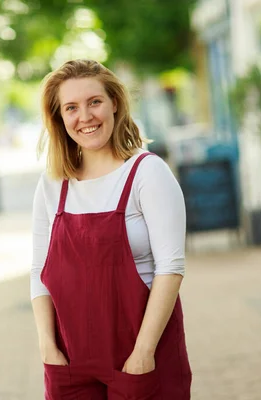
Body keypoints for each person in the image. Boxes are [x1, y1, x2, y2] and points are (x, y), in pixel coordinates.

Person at [31, 59, 192, 399]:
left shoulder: (147, 173)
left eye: (94, 102)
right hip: (70, 362)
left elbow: (171, 267)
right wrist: (48, 348)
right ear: (59, 117)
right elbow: (38, 271)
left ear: (114, 103)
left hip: (140, 356)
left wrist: (143, 352)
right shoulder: (53, 184)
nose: (85, 117)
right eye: (71, 107)